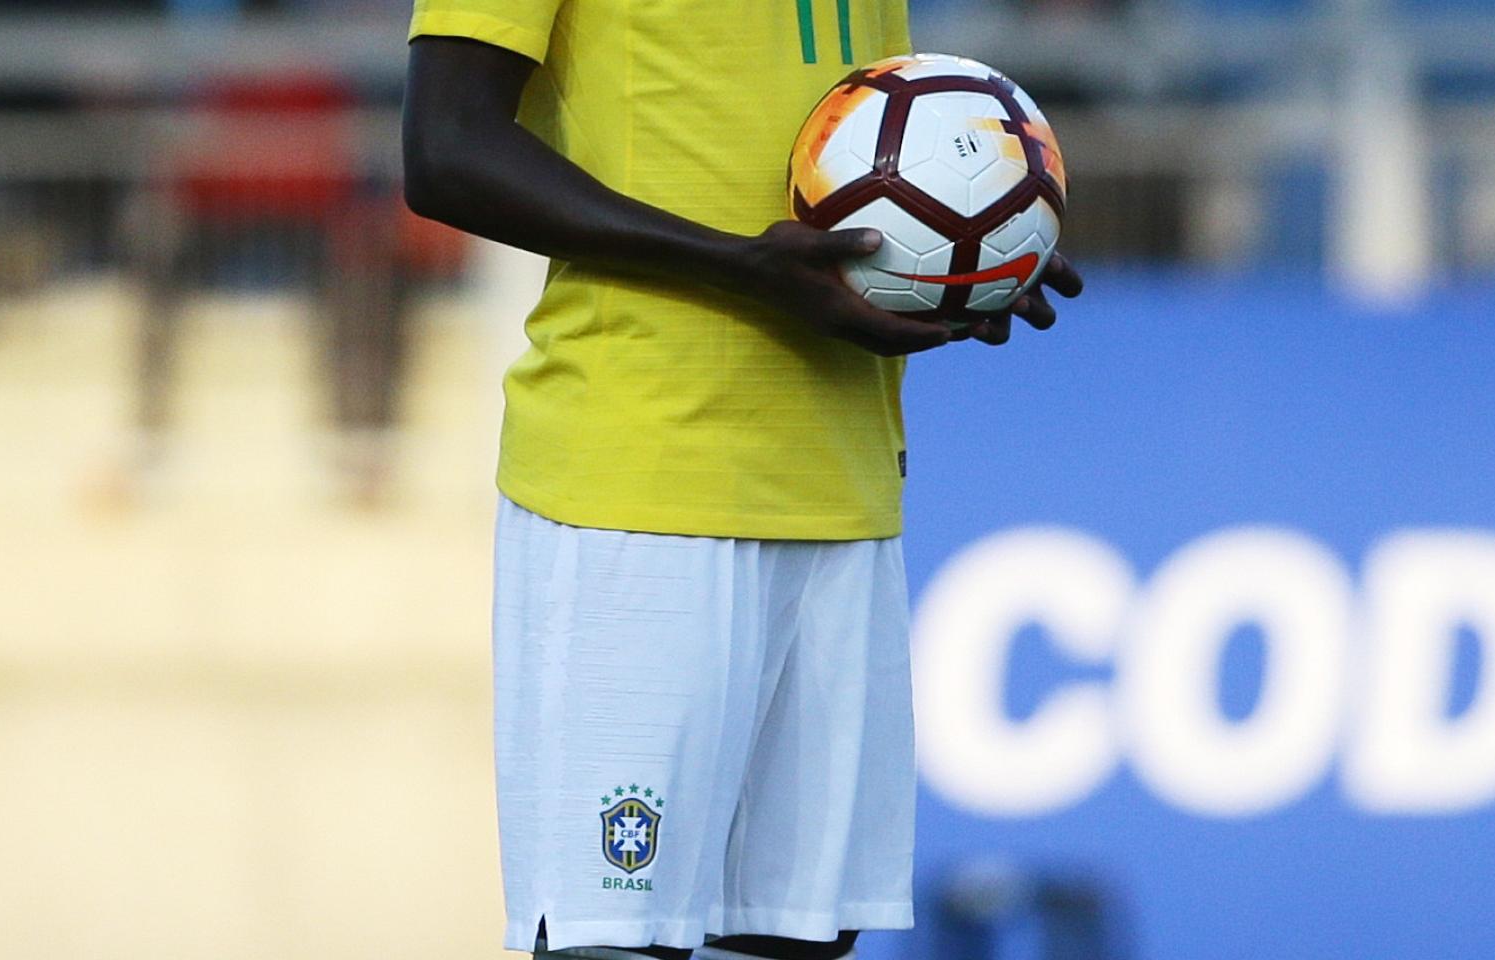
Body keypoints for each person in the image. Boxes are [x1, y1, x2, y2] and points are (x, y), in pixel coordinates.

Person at [401, 1, 1082, 958]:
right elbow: (447, 149)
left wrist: (971, 240)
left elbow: (853, 140)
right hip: (638, 482)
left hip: (839, 478)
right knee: (618, 943)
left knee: (792, 942)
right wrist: (739, 267)